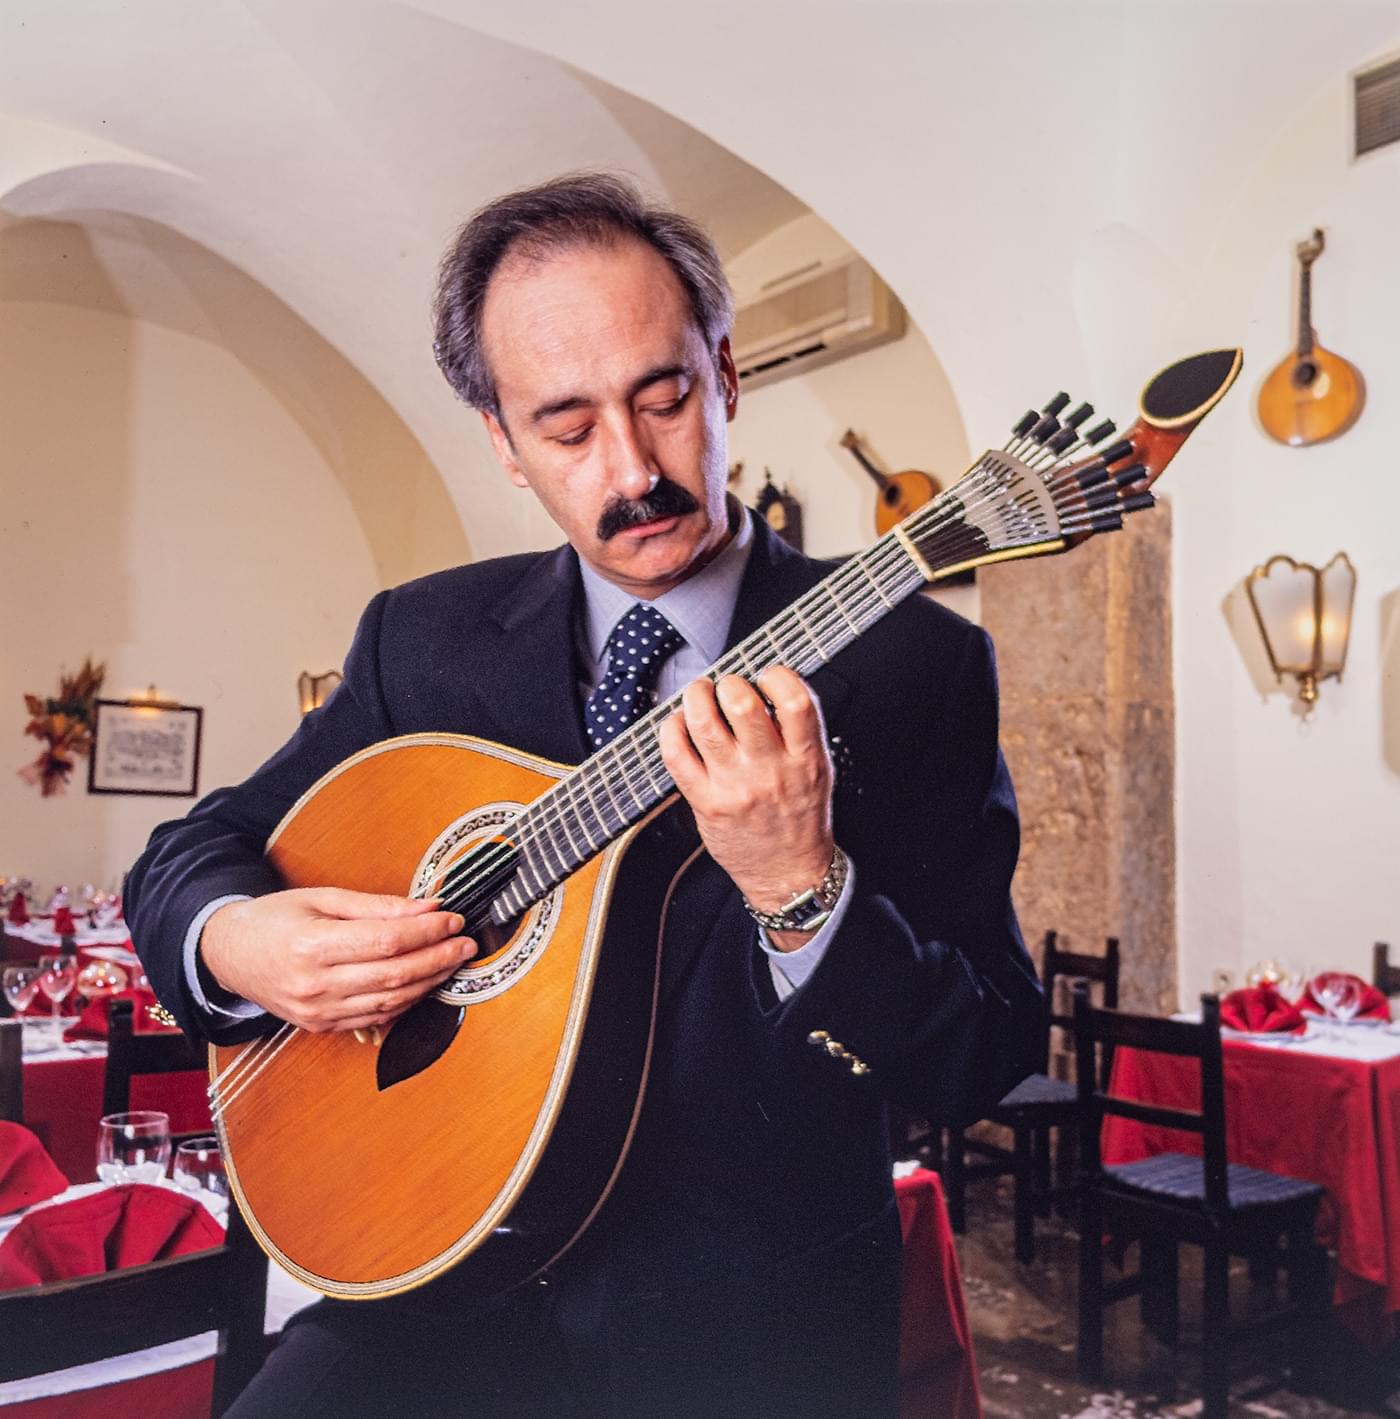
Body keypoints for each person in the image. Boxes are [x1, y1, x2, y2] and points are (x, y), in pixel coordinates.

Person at [125, 172, 1041, 1418]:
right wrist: (237, 937)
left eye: (662, 398)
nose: (633, 469)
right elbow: (195, 850)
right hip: (433, 1284)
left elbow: (982, 1054)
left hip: (747, 1329)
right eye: (565, 427)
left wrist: (798, 889)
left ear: (724, 375)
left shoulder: (914, 667)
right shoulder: (426, 644)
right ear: (502, 444)